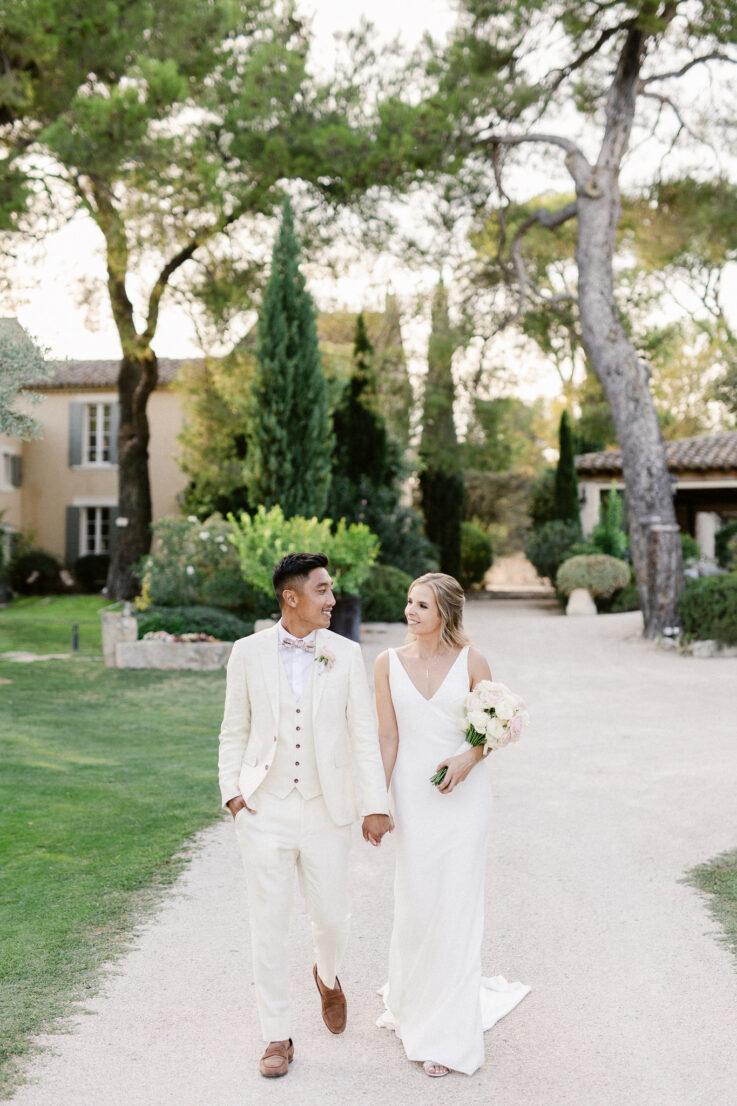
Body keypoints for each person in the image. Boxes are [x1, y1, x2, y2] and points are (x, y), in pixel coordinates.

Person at [218, 552, 392, 1078]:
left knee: (332, 918)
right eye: (322, 591)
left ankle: (328, 974)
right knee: (267, 926)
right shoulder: (246, 653)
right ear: (290, 597)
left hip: (326, 808)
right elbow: (234, 730)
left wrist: (376, 805)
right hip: (264, 808)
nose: (332, 600)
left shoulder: (346, 653)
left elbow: (363, 733)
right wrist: (234, 796)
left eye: (331, 590)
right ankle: (276, 1036)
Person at [374, 572, 529, 1077]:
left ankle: (445, 1036)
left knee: (457, 907)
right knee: (418, 903)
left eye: (422, 605)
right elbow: (388, 738)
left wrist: (468, 759)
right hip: (414, 800)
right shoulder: (386, 664)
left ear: (445, 613)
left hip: (464, 801)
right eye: (409, 602)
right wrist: (378, 799)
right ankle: (412, 1001)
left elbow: (492, 728)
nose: (410, 611)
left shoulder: (472, 661)